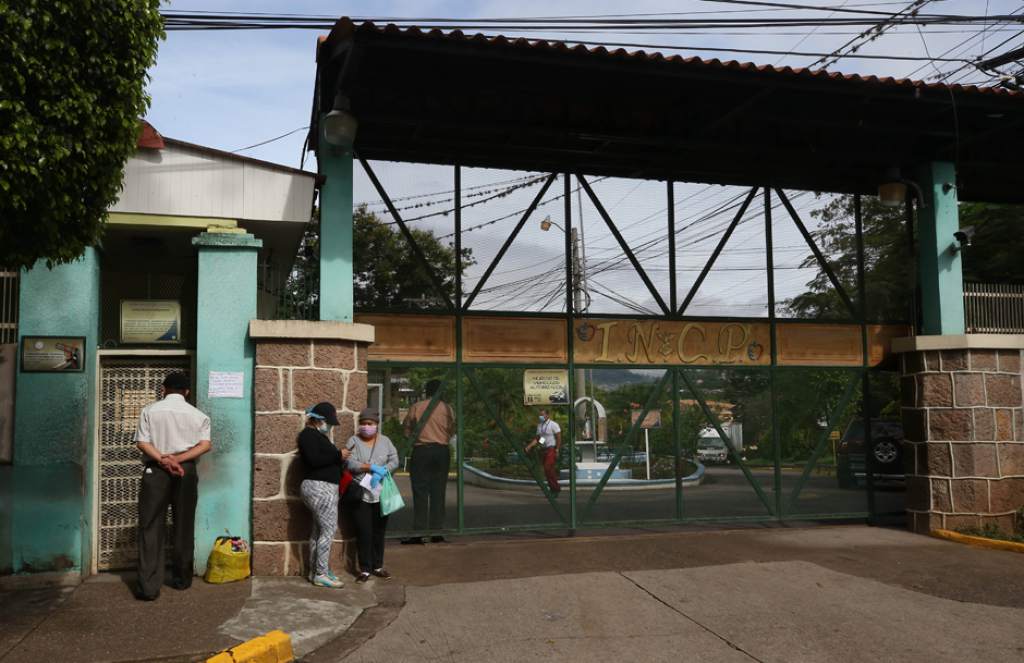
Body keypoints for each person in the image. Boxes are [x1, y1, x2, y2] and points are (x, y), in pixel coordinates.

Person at [134, 372, 211, 601]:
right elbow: (205, 445)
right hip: (185, 471)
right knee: (184, 524)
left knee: (150, 525)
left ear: (164, 389)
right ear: (187, 392)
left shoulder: (150, 411)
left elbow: (142, 442)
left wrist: (163, 460)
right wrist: (179, 459)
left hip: (156, 470)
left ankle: (149, 587)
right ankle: (182, 580)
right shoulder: (198, 415)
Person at [297, 401, 351, 588]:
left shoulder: (314, 436)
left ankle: (317, 570)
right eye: (328, 422)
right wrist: (338, 455)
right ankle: (320, 573)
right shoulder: (308, 436)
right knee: (328, 532)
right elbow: (314, 460)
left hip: (322, 488)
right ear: (319, 420)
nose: (329, 427)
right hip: (321, 488)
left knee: (319, 531)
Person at [346, 408, 399, 583]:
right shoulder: (353, 441)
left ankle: (378, 565)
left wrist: (384, 470)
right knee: (364, 531)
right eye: (363, 423)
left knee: (379, 530)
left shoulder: (386, 441)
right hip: (361, 492)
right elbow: (349, 462)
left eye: (370, 424)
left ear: (376, 425)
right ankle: (365, 568)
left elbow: (394, 460)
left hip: (381, 491)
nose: (366, 427)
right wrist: (368, 468)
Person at [402, 379, 454, 544]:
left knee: (420, 492)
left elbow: (406, 429)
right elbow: (452, 430)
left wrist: (417, 436)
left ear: (427, 391)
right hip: (441, 451)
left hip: (422, 451)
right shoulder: (448, 408)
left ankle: (419, 532)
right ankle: (436, 531)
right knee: (438, 491)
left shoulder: (417, 407)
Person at [525, 408, 562, 495]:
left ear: (547, 415)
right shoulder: (540, 426)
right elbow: (539, 438)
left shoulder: (553, 424)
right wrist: (529, 446)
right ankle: (554, 489)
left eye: (543, 414)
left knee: (547, 467)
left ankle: (555, 488)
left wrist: (557, 449)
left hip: (551, 448)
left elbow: (559, 437)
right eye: (540, 415)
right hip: (544, 449)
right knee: (547, 470)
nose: (541, 416)